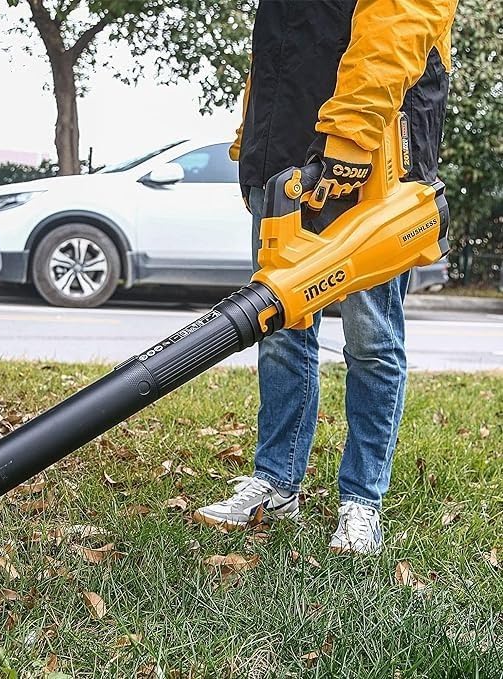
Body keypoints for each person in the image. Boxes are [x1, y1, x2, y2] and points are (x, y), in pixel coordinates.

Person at [194, 0, 457, 554]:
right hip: (285, 147)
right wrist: (254, 142)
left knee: (371, 338)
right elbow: (279, 42)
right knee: (280, 327)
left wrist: (351, 138)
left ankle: (362, 499)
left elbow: (401, 22)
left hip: (370, 147)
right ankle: (276, 482)